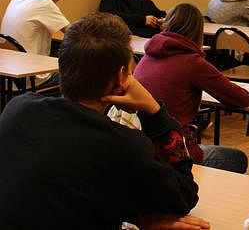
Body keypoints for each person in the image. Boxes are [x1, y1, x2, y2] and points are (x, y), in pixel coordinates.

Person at [0, 12, 207, 230]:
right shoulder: (123, 144)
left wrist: (135, 215)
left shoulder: (17, 109)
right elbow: (185, 195)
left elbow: (61, 193)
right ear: (121, 76)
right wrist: (154, 112)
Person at [135, 3, 249, 173]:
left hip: (143, 149)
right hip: (176, 152)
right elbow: (242, 99)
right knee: (236, 158)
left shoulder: (147, 55)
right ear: (198, 31)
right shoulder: (192, 62)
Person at [0, 0, 69, 84]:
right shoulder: (44, 3)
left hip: (9, 78)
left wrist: (52, 2)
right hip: (32, 78)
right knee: (80, 73)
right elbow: (72, 32)